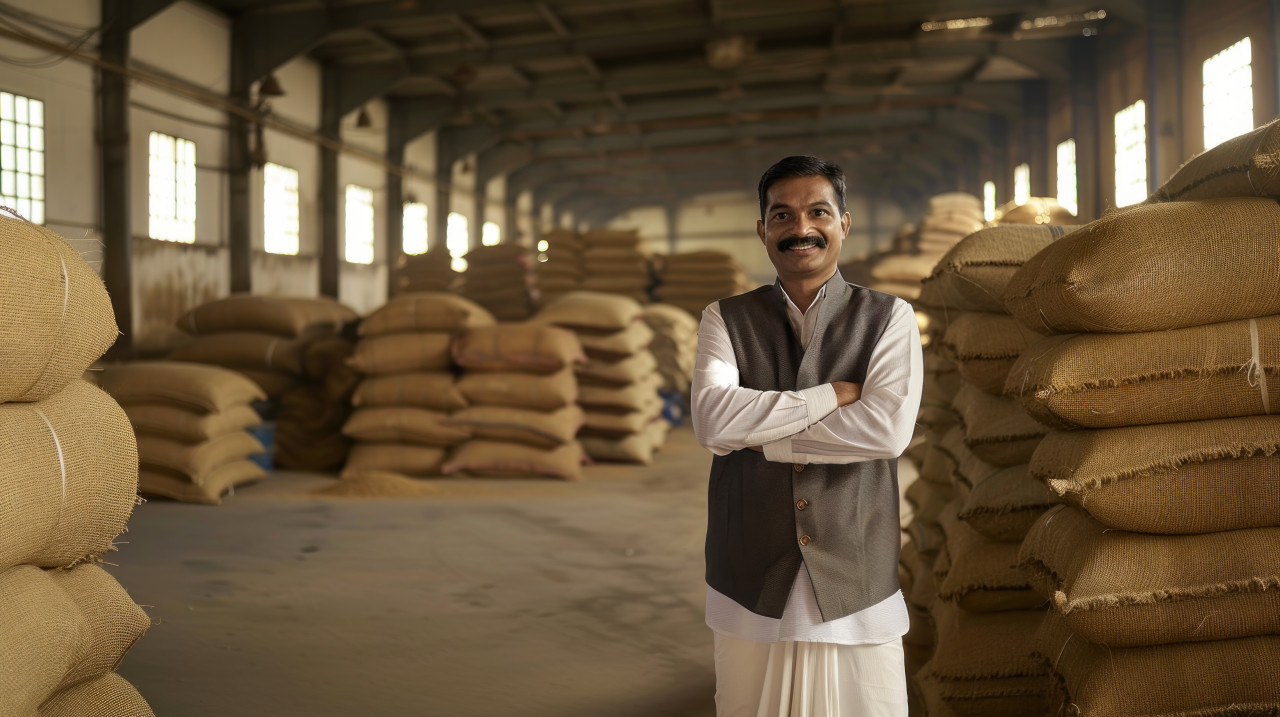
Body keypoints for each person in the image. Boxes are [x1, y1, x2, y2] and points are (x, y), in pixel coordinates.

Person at [691, 155, 923, 716]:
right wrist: (828, 397)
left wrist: (763, 438)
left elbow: (886, 431)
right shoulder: (724, 319)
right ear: (762, 230)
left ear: (843, 222)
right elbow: (713, 421)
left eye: (818, 212)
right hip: (749, 568)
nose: (801, 229)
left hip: (855, 570)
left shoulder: (890, 318)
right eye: (782, 216)